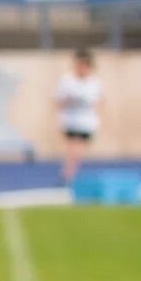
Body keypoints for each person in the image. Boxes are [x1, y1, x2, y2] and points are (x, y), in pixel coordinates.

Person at [56, 48, 103, 185]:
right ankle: (69, 172)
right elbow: (58, 100)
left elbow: (100, 101)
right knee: (73, 145)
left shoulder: (95, 82)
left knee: (77, 148)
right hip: (71, 120)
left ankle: (69, 171)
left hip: (86, 122)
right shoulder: (67, 80)